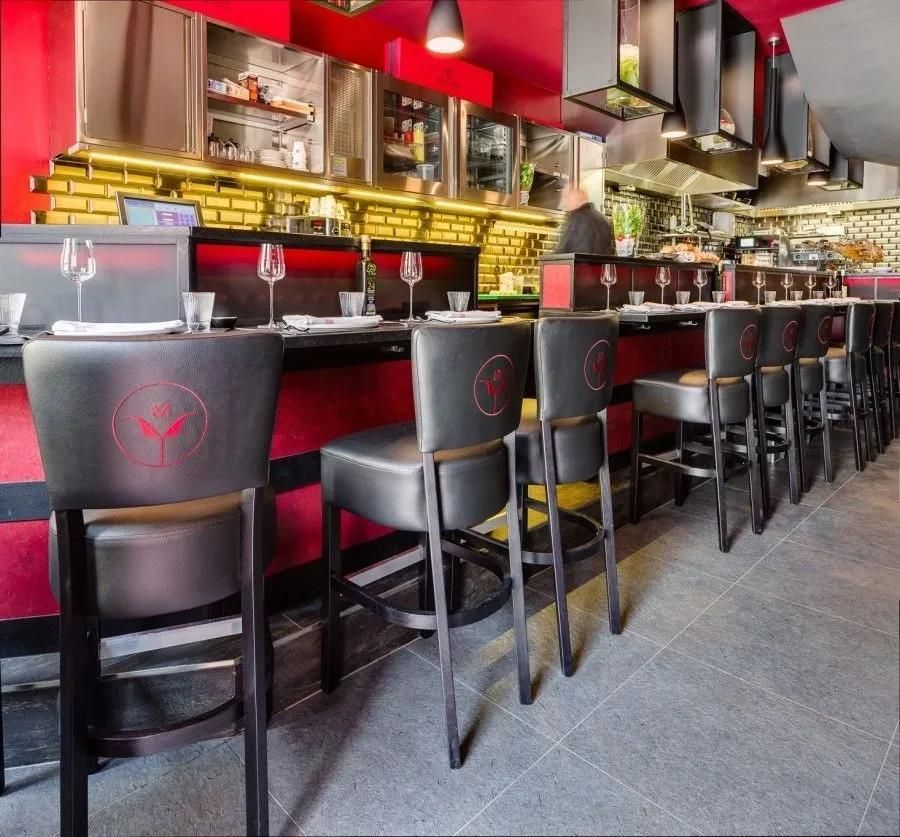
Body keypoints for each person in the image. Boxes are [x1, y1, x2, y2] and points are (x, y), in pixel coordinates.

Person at [554, 186, 614, 255]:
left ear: (577, 197)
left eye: (566, 197)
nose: (564, 202)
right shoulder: (604, 220)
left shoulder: (576, 219)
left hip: (578, 265)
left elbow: (561, 254)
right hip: (600, 265)